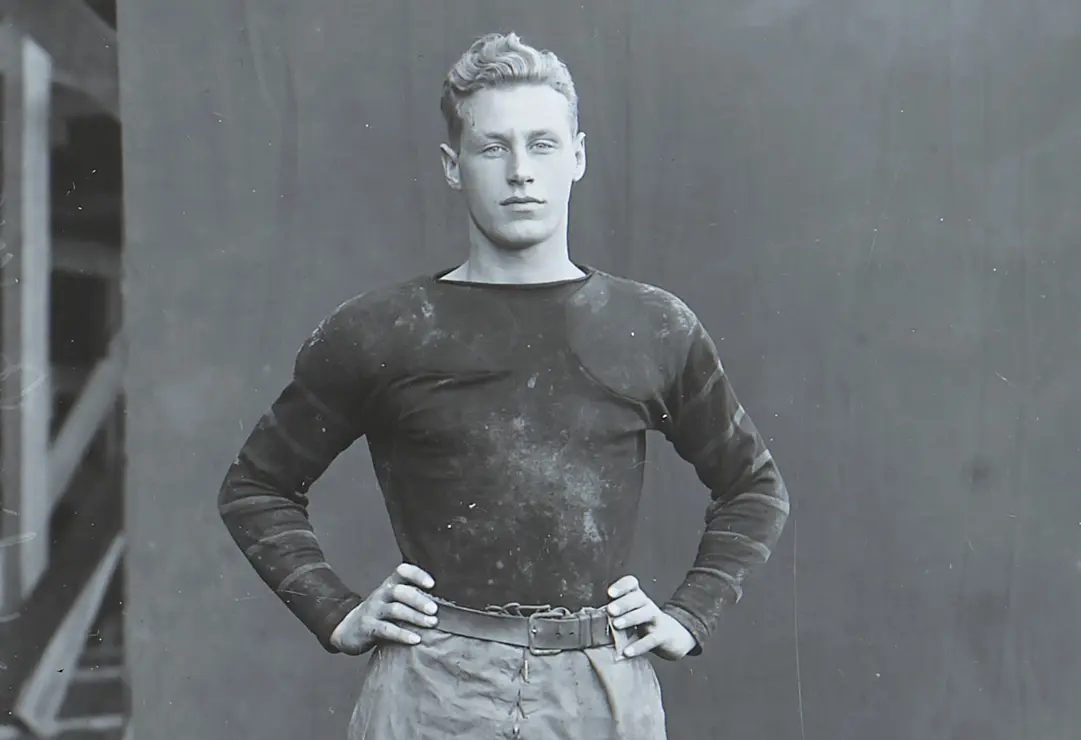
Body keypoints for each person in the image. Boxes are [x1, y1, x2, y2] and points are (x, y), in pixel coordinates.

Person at [217, 31, 790, 740]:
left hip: (600, 687)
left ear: (577, 157)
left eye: (543, 145)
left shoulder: (652, 324)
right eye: (494, 148)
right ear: (453, 166)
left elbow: (754, 487)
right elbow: (255, 487)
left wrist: (690, 613)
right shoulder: (385, 329)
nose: (521, 171)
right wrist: (336, 611)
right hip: (430, 687)